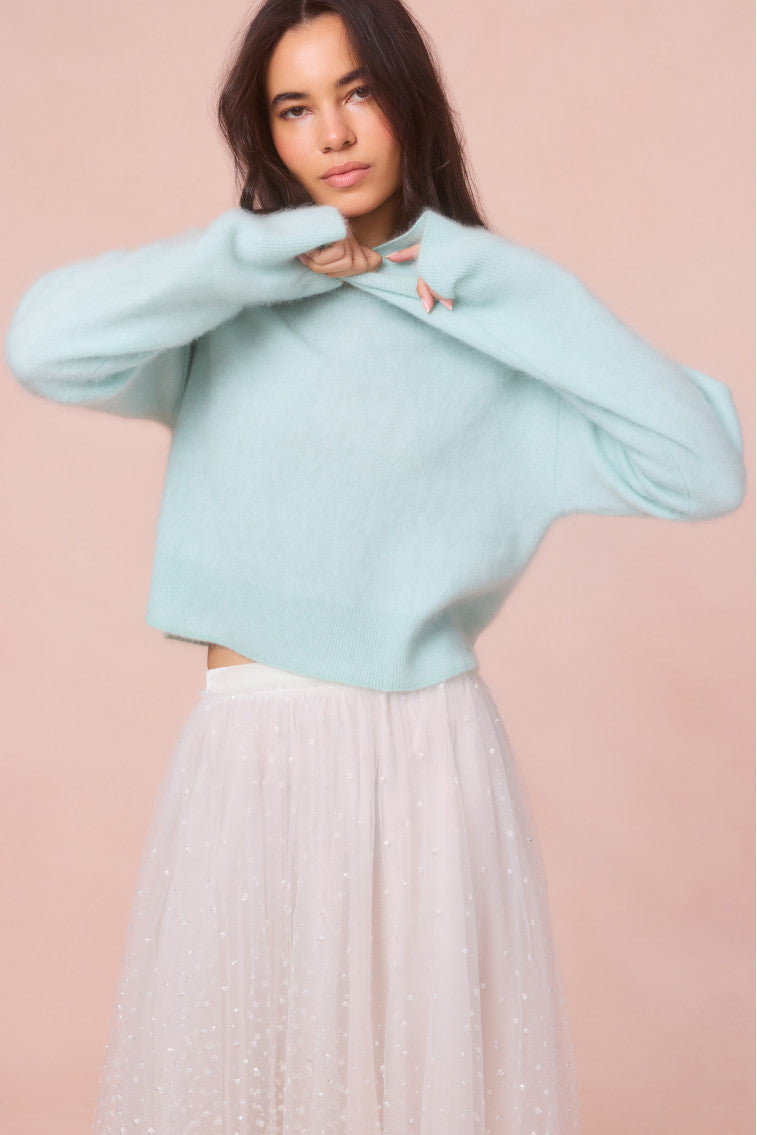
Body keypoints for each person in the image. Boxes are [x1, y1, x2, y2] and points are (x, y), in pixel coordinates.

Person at [4, 0, 745, 1132]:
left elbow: (703, 467)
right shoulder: (229, 311)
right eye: (294, 109)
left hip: (428, 757)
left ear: (408, 97)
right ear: (266, 135)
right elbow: (41, 345)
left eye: (357, 92)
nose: (335, 134)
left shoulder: (486, 327)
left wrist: (482, 278)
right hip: (253, 746)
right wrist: (261, 253)